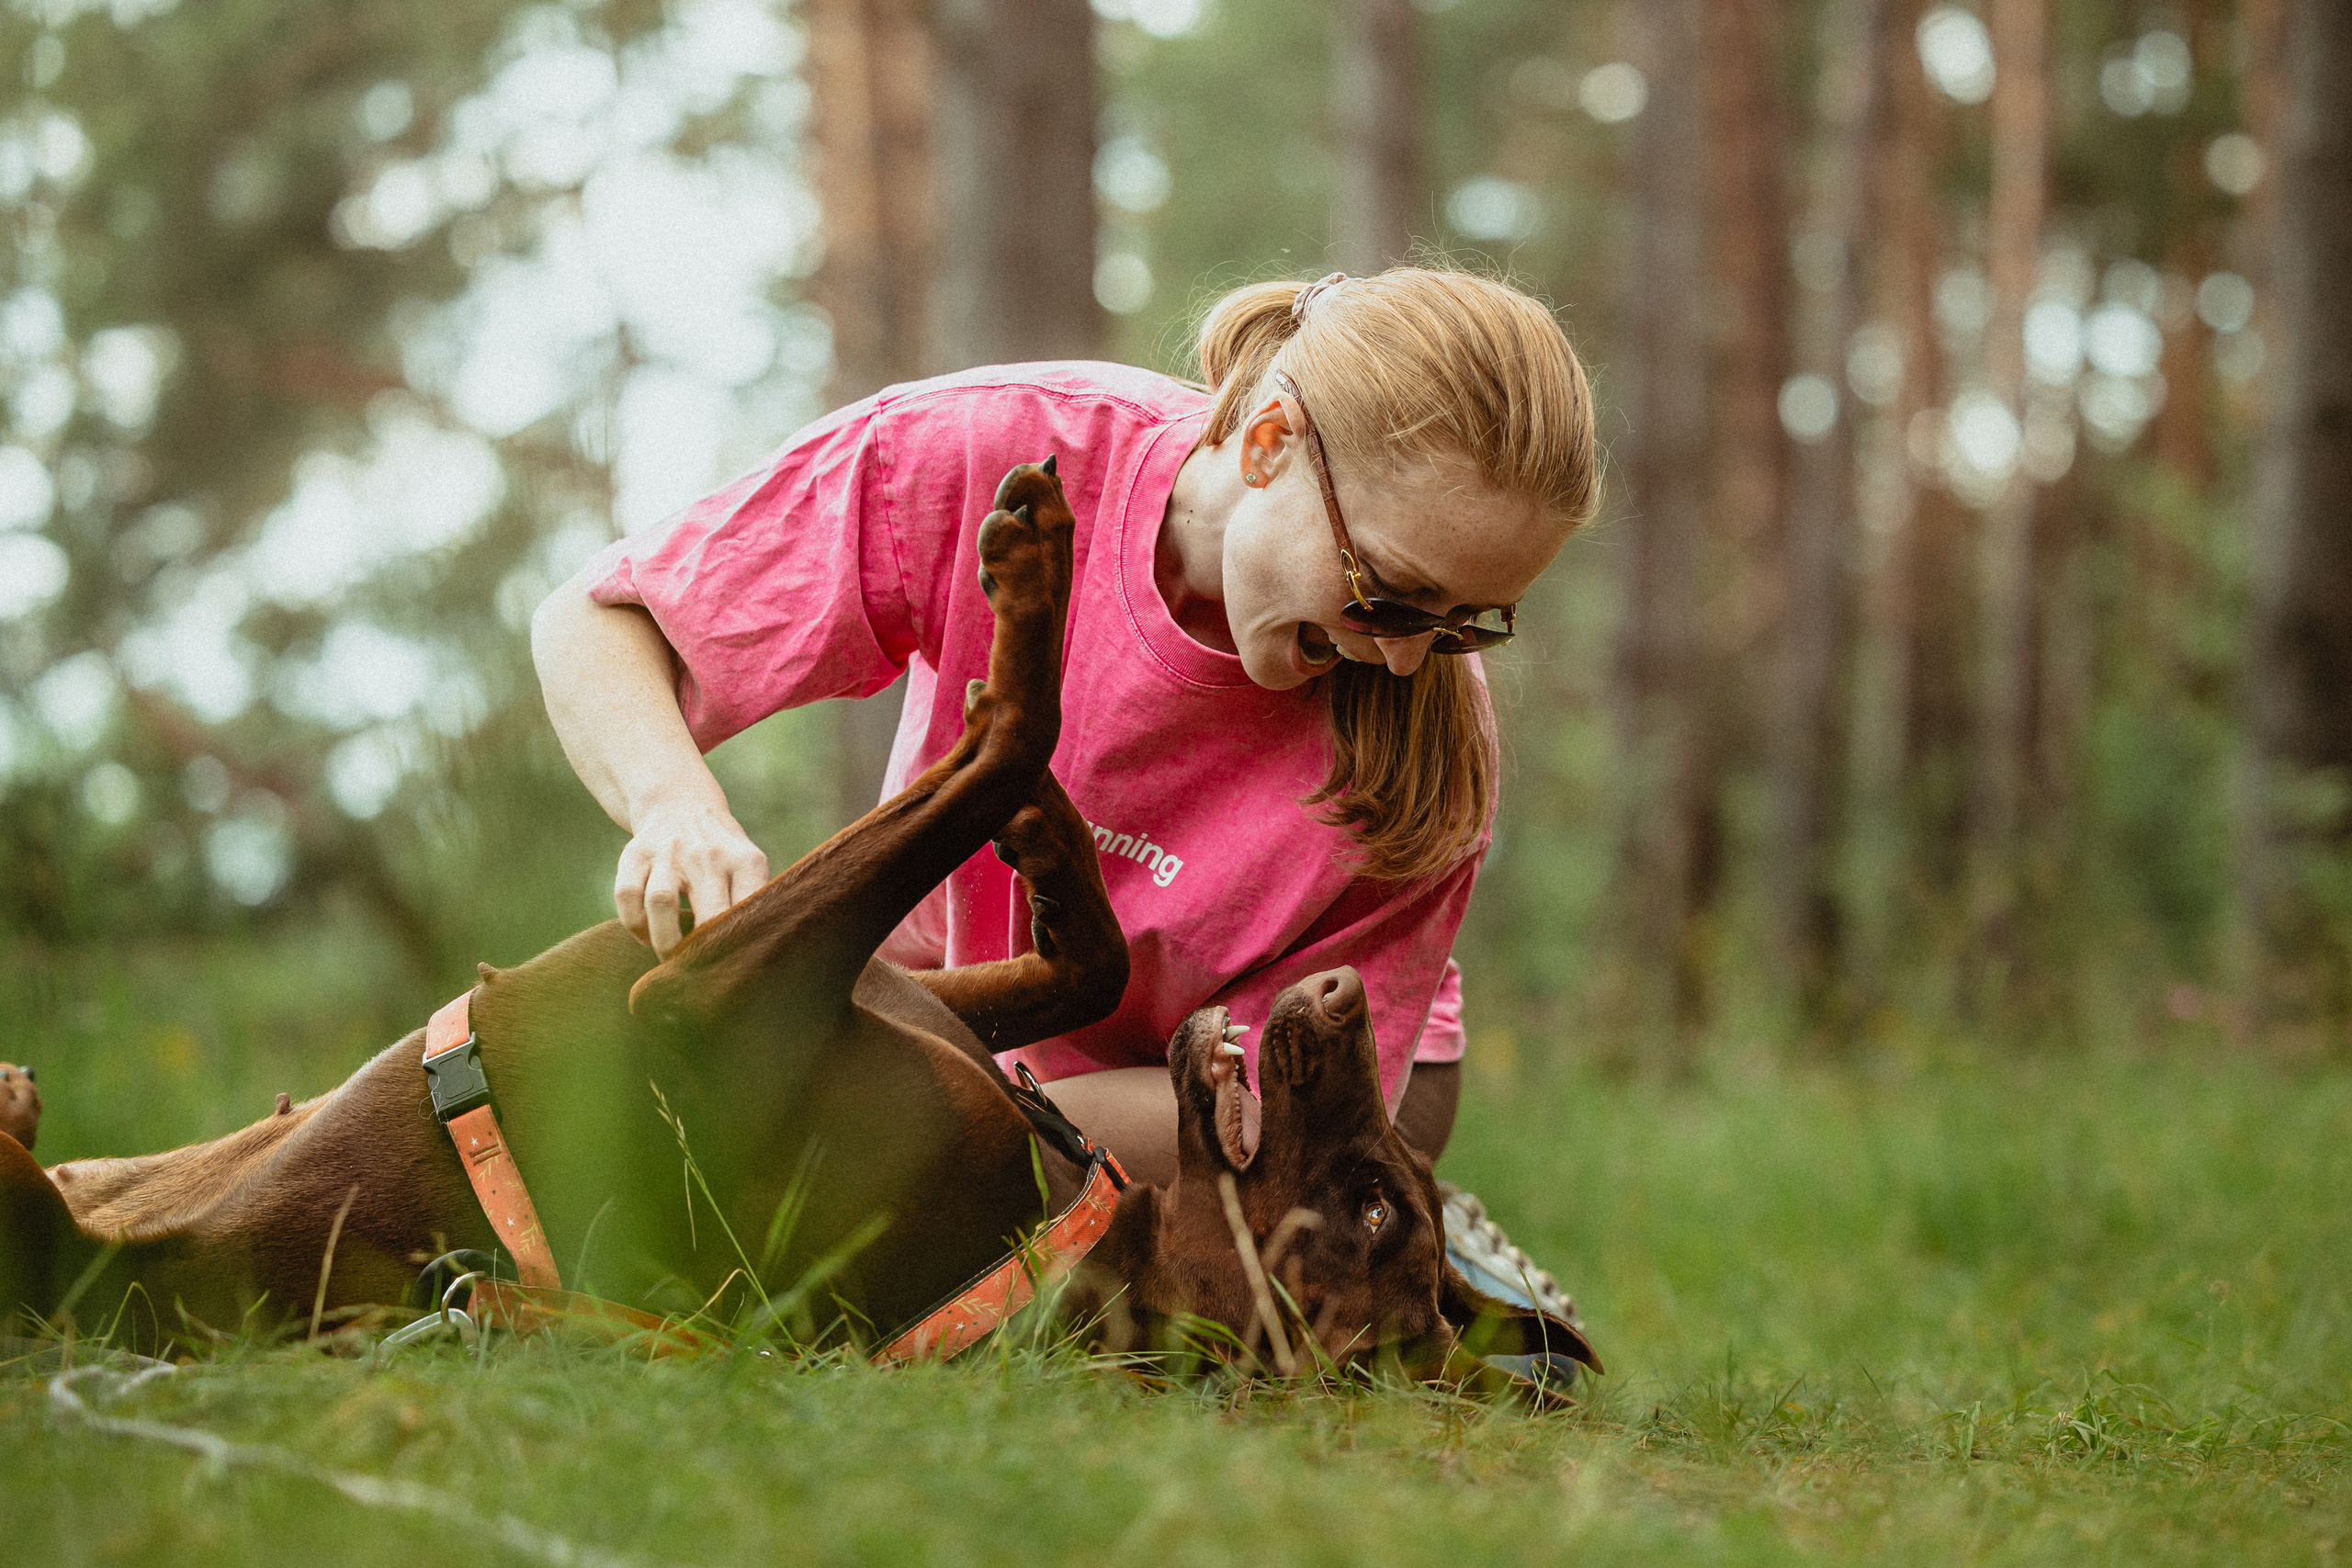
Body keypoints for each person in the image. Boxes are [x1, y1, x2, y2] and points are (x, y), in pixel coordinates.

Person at [533, 266, 1596, 1322]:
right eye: (1392, 596)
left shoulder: (1433, 742)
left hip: (1270, 1114)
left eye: (1467, 622)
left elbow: (1275, 1117)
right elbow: (601, 623)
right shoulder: (1003, 452)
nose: (1407, 663)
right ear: (1270, 442)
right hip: (958, 997)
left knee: (1062, 1289)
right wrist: (679, 809)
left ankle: (1432, 1234)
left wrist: (917, 1120)